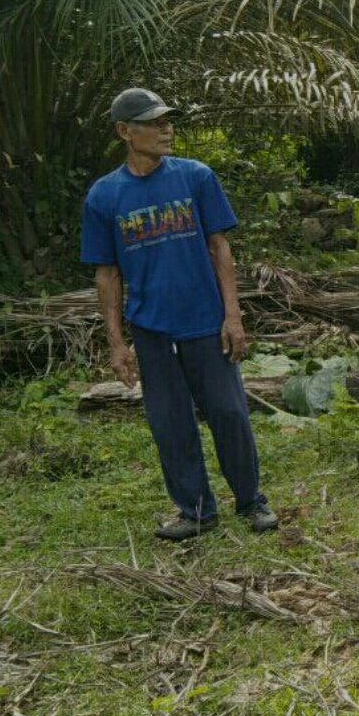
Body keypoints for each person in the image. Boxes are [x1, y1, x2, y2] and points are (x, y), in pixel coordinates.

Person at [80, 88, 278, 540]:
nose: (166, 128)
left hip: (205, 322)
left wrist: (233, 316)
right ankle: (195, 511)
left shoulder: (195, 177)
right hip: (150, 327)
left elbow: (219, 247)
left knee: (229, 412)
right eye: (153, 121)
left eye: (168, 119)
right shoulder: (105, 195)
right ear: (124, 131)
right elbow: (107, 274)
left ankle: (251, 501)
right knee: (170, 423)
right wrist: (116, 341)